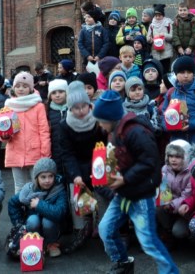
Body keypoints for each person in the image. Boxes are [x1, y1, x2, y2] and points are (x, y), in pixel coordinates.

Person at [94, 90, 178, 274]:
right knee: (105, 229)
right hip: (123, 193)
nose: (99, 125)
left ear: (110, 118)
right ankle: (123, 263)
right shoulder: (113, 131)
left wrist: (125, 178)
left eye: (101, 120)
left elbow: (149, 162)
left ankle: (171, 271)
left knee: (148, 241)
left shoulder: (135, 132)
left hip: (140, 194)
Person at [60, 80, 108, 250]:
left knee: (102, 198)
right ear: (70, 109)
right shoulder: (65, 125)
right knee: (81, 200)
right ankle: (84, 228)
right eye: (76, 108)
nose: (80, 111)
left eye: (83, 106)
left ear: (89, 105)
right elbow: (67, 152)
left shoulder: (98, 120)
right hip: (78, 165)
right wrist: (76, 174)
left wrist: (101, 166)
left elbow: (105, 143)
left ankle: (103, 230)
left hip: (99, 162)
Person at [8, 157, 68, 258]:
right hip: (33, 226)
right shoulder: (29, 190)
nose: (47, 180)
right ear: (37, 178)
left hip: (52, 227)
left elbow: (60, 212)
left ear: (55, 176)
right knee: (32, 220)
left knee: (48, 221)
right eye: (43, 177)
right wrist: (19, 224)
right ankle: (34, 243)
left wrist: (39, 204)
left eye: (50, 176)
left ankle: (51, 244)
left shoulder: (59, 190)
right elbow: (12, 203)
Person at [3, 72, 51, 193]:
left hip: (35, 152)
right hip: (15, 150)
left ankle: (35, 211)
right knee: (19, 187)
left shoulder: (38, 106)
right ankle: (20, 211)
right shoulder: (8, 106)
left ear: (31, 88)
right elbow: (3, 130)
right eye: (18, 86)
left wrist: (45, 153)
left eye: (25, 86)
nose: (21, 89)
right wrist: (4, 136)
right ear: (13, 87)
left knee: (36, 186)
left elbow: (44, 131)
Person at [156, 139, 192, 247]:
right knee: (157, 207)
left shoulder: (190, 172)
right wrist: (165, 201)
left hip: (184, 209)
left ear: (185, 157)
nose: (173, 160)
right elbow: (164, 190)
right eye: (171, 156)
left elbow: (187, 195)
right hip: (169, 206)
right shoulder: (165, 169)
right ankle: (167, 232)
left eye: (177, 157)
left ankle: (188, 236)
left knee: (179, 232)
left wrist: (172, 205)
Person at [46, 79, 69, 175]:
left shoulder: (72, 109)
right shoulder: (47, 111)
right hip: (55, 152)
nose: (57, 95)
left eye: (61, 92)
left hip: (70, 151)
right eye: (54, 92)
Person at [146, 4, 174, 75]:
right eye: (156, 15)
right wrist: (150, 39)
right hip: (156, 51)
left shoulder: (168, 23)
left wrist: (164, 35)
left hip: (166, 51)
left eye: (160, 15)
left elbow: (172, 36)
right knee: (158, 71)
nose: (158, 17)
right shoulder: (152, 25)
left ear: (163, 15)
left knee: (166, 71)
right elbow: (148, 37)